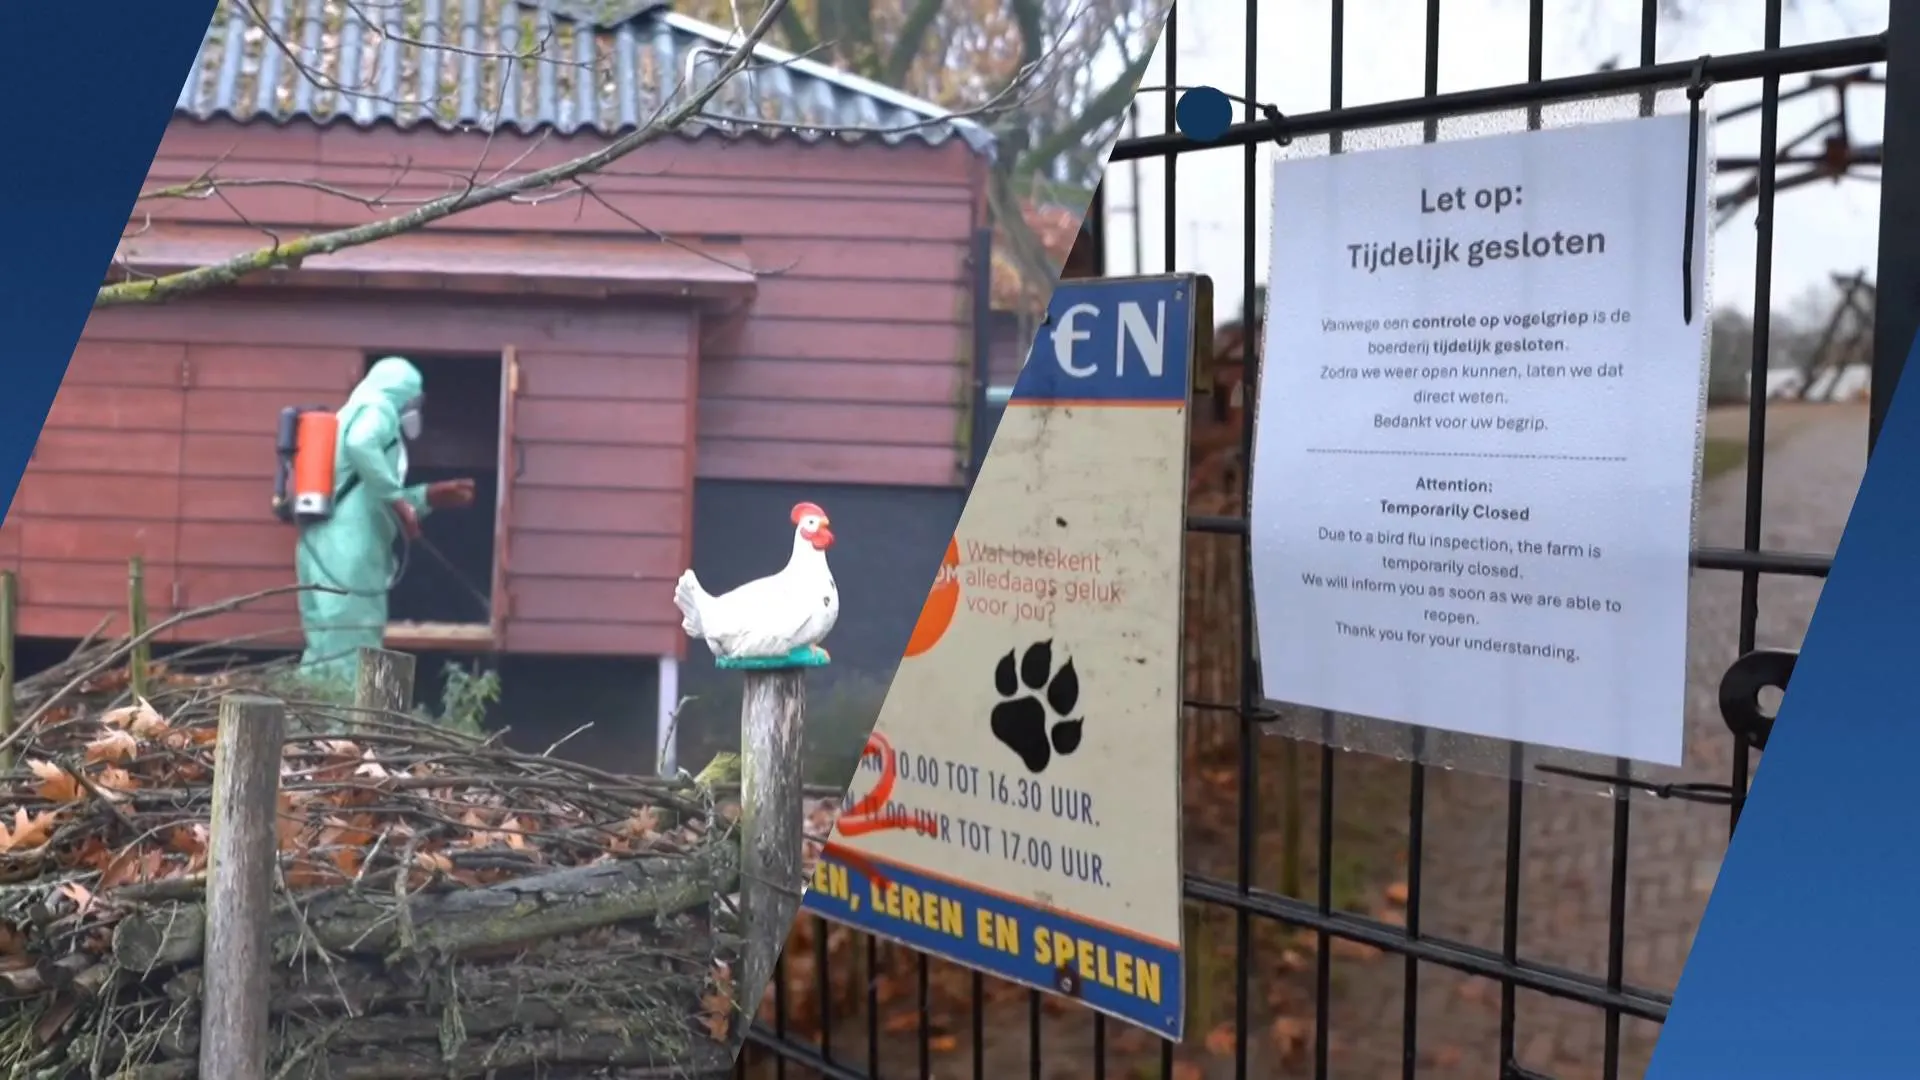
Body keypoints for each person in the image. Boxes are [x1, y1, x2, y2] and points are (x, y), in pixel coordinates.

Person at [295, 356, 476, 685]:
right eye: (416, 400)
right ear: (404, 394)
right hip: (350, 557)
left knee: (322, 651)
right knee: (354, 652)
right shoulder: (380, 408)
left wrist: (426, 496)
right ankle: (341, 735)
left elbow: (365, 496)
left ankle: (303, 730)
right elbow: (361, 445)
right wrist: (398, 499)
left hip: (317, 547)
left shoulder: (350, 411)